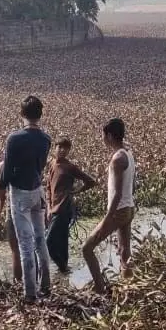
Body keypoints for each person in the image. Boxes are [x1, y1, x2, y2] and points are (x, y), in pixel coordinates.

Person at [0, 96, 53, 302]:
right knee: (40, 240)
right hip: (38, 192)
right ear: (40, 114)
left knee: (25, 245)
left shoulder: (14, 138)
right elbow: (40, 166)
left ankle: (30, 294)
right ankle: (46, 285)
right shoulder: (46, 139)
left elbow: (6, 173)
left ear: (22, 114)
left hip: (20, 194)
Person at [82, 118, 136, 293]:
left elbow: (118, 193)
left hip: (118, 211)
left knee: (87, 248)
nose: (102, 139)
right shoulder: (127, 153)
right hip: (129, 209)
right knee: (124, 250)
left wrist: (107, 218)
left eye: (103, 135)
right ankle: (128, 284)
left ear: (110, 136)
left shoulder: (117, 159)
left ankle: (100, 288)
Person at [45, 137, 98, 273]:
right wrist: (49, 207)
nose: (62, 150)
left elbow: (91, 181)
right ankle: (64, 269)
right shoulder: (51, 164)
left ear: (68, 150)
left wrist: (75, 191)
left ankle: (62, 267)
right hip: (54, 208)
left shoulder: (70, 167)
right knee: (62, 240)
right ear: (54, 148)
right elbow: (49, 187)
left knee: (49, 242)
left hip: (64, 207)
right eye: (59, 147)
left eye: (65, 148)